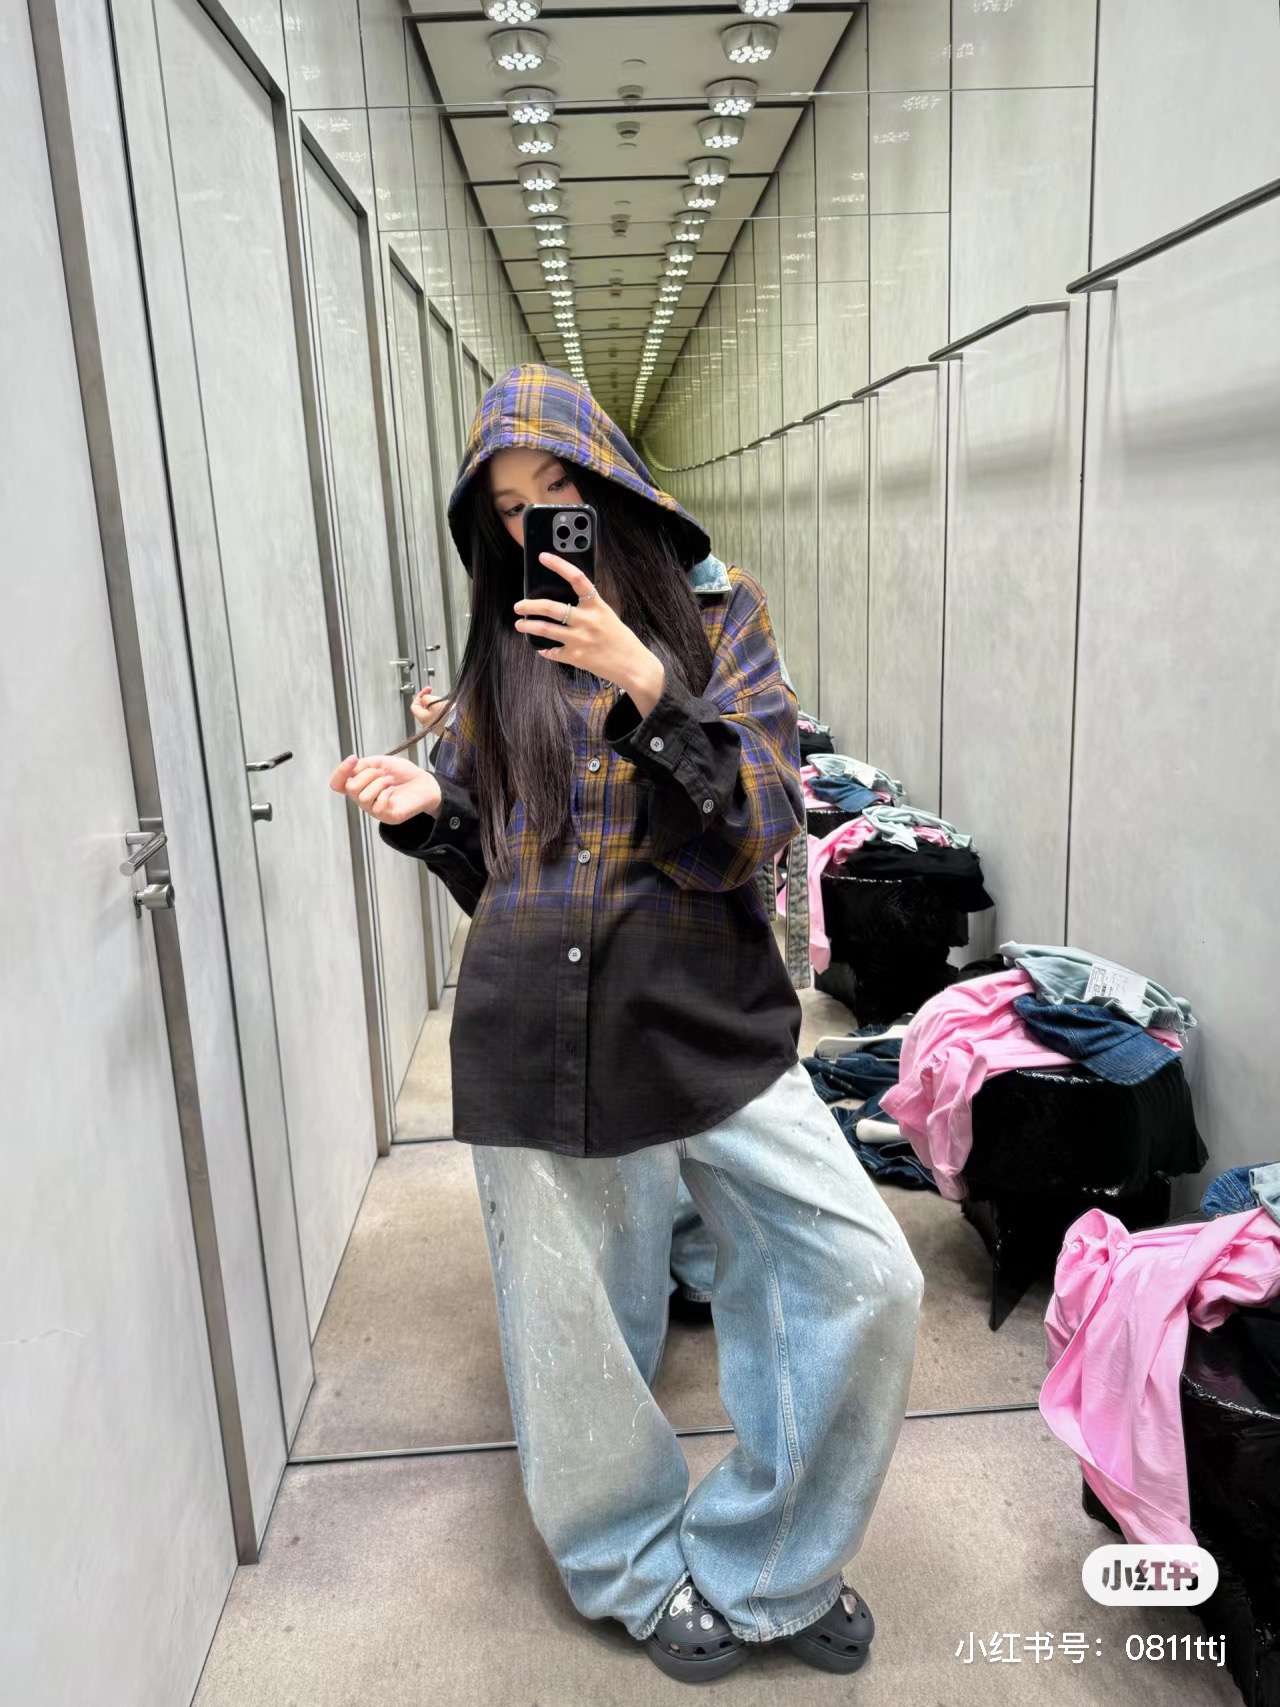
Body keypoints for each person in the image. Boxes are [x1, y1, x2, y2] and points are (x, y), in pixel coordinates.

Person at [330, 366, 922, 1684]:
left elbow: (768, 818)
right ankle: (636, 1573)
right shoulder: (502, 651)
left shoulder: (719, 615)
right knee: (580, 1330)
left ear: (612, 484)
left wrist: (649, 683)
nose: (538, 524)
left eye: (559, 491)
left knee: (863, 1277)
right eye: (508, 508)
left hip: (710, 1015)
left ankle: (773, 1560)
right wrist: (429, 812)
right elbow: (498, 863)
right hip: (538, 1024)